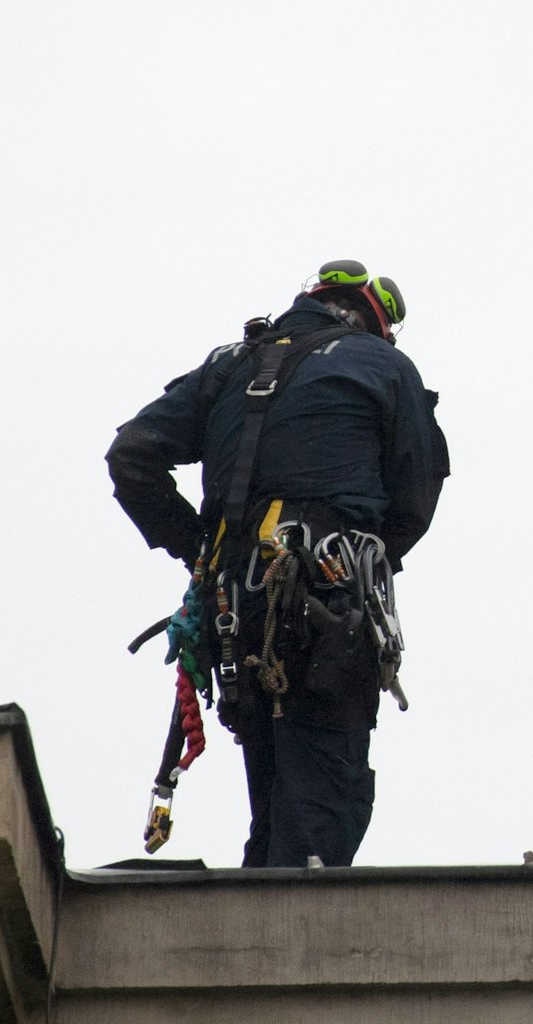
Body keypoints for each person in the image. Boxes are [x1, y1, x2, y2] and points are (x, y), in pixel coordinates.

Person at [107, 260, 449, 868]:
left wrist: (199, 549)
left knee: (272, 804)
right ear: (374, 319)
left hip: (233, 615)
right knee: (323, 805)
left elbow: (132, 455)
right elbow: (414, 501)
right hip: (325, 609)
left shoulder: (229, 364)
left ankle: (256, 917)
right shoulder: (383, 364)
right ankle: (292, 926)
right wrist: (356, 558)